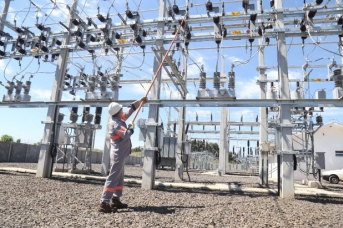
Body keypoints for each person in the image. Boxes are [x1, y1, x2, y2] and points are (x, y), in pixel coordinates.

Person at [99, 97, 147, 213]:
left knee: (119, 178)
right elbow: (125, 134)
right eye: (121, 109)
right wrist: (131, 128)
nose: (123, 111)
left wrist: (140, 101)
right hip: (117, 155)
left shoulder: (119, 119)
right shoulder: (116, 124)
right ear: (118, 112)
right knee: (113, 177)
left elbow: (130, 110)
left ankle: (115, 199)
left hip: (120, 154)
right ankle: (104, 202)